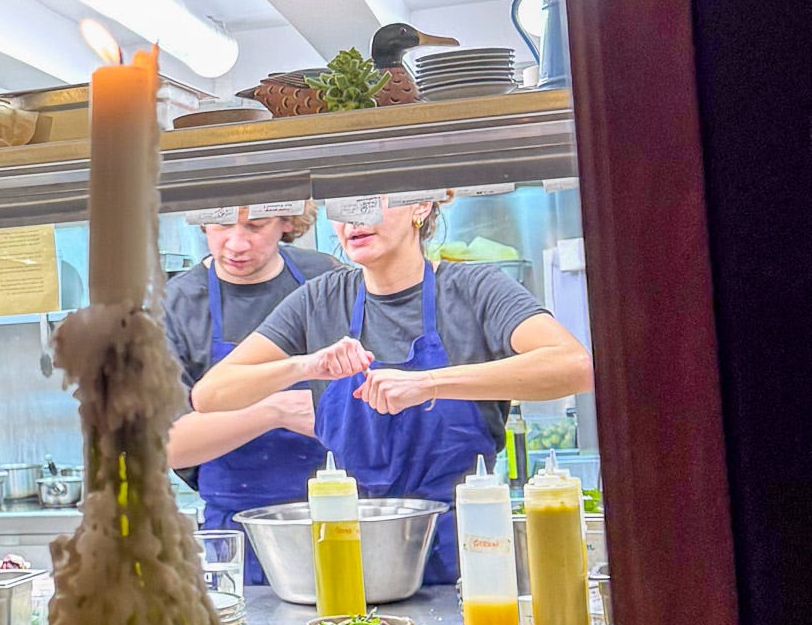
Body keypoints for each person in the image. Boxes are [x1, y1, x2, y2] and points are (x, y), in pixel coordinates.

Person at [191, 194, 592, 584]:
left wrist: (430, 383)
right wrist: (307, 364)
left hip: (469, 553)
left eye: (373, 199)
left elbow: (575, 366)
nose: (355, 218)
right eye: (344, 204)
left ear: (422, 204)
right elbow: (211, 394)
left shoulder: (474, 288)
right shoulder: (320, 299)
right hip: (355, 554)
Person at [162, 204, 345, 582]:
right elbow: (166, 445)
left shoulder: (325, 279)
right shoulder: (173, 308)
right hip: (239, 538)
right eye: (221, 225)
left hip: (342, 518)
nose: (236, 243)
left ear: (287, 220)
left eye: (255, 226)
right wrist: (275, 411)